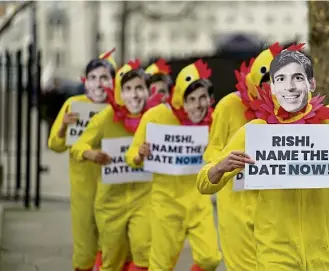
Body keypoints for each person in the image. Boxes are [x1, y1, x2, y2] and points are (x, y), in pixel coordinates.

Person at [196, 44, 329, 270]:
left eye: (297, 78)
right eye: (280, 79)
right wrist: (221, 167)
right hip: (275, 255)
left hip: (328, 254)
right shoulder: (256, 131)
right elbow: (204, 184)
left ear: (311, 83)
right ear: (271, 87)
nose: (289, 87)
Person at [126, 59, 222, 271]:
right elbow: (131, 154)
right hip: (165, 203)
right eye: (192, 99)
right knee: (161, 265)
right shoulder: (156, 116)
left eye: (203, 98)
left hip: (199, 203)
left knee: (210, 259)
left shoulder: (213, 119)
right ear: (180, 99)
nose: (198, 105)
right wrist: (139, 156)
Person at [71, 60, 162, 271]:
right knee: (111, 259)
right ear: (120, 93)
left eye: (139, 88)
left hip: (144, 199)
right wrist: (90, 153)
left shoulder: (156, 118)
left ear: (148, 91)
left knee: (143, 252)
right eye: (128, 89)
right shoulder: (106, 117)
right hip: (110, 202)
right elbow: (78, 145)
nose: (135, 95)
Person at [201, 42, 283, 271]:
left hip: (274, 209)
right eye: (267, 83)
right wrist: (224, 163)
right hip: (236, 208)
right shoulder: (229, 105)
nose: (273, 91)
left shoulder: (291, 111)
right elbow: (213, 150)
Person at [48, 48, 116, 271]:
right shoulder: (73, 104)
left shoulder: (119, 109)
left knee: (112, 246)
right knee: (84, 245)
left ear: (113, 82)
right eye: (93, 78)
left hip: (114, 189)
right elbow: (54, 146)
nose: (98, 84)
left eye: (104, 78)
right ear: (85, 82)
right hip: (83, 189)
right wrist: (63, 127)